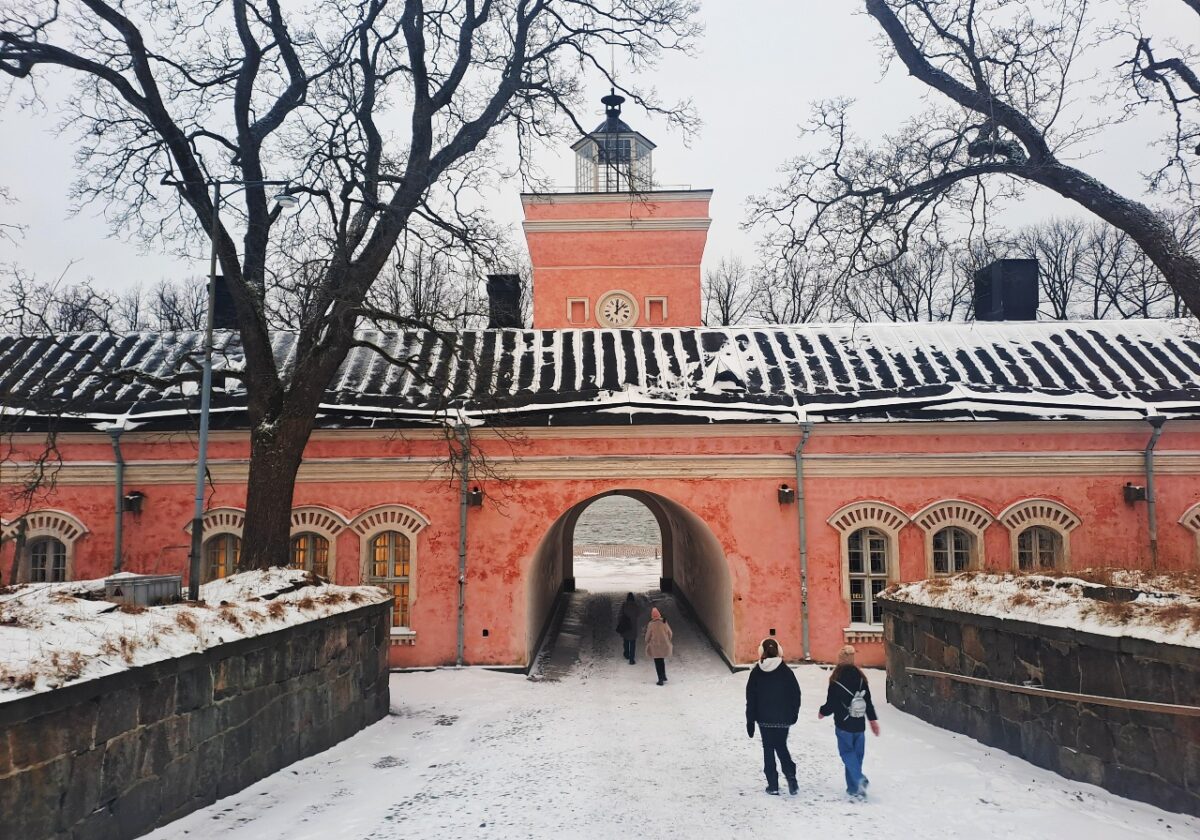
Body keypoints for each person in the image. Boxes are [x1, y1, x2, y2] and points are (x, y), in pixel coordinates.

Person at [817, 645, 880, 799]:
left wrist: (822, 712)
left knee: (846, 753)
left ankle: (859, 779)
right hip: (859, 725)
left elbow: (830, 704)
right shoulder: (861, 679)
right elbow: (868, 702)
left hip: (843, 725)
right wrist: (872, 721)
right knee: (856, 756)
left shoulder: (836, 680)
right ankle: (854, 789)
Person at [745, 637, 802, 795]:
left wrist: (750, 720)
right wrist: (793, 713)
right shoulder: (786, 671)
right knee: (781, 746)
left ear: (761, 652)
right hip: (783, 719)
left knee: (768, 749)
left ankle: (773, 785)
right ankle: (791, 776)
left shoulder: (756, 672)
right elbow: (795, 694)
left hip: (764, 719)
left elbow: (751, 698)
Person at [644, 606, 673, 685]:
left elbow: (647, 636)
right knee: (662, 661)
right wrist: (668, 640)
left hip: (655, 646)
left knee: (657, 662)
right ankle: (663, 676)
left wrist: (647, 641)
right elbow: (670, 633)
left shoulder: (651, 624)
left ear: (652, 616)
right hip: (664, 645)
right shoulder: (664, 622)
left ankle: (660, 679)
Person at [616, 592, 639, 664]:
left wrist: (621, 621)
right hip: (633, 626)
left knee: (625, 641)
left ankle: (626, 654)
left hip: (625, 625)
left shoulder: (624, 605)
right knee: (632, 643)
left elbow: (619, 615)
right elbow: (639, 613)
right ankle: (631, 659)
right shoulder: (636, 606)